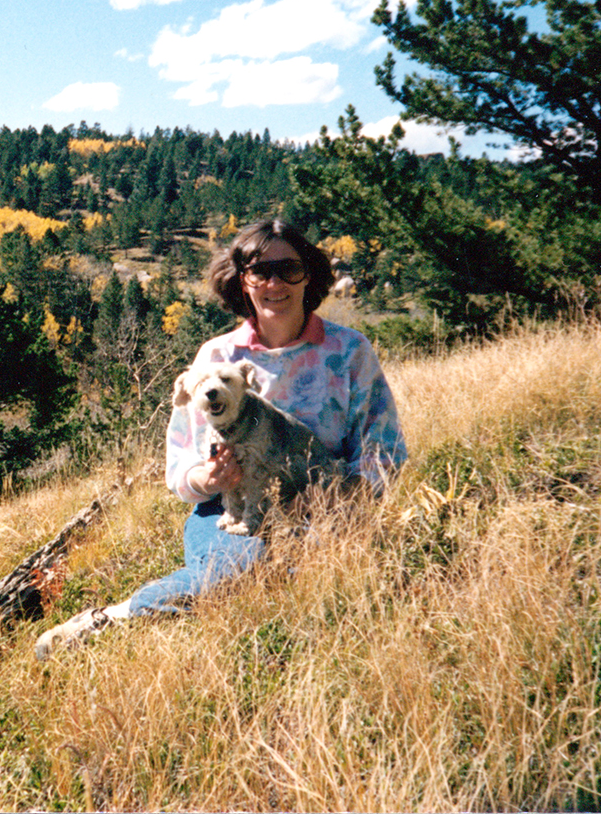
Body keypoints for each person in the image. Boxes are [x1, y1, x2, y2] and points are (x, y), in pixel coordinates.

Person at [35, 219, 406, 659]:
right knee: (237, 569)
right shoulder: (216, 359)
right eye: (259, 271)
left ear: (309, 274)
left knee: (310, 572)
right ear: (242, 281)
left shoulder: (349, 352)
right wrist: (209, 479)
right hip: (227, 506)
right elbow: (179, 468)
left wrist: (344, 499)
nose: (275, 283)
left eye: (288, 269)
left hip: (323, 505)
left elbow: (384, 449)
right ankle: (110, 620)